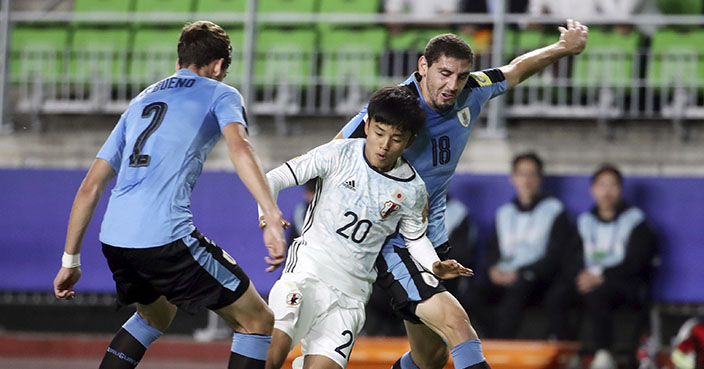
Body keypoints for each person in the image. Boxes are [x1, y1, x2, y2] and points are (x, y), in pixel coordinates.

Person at [335, 20, 588, 369]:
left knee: (430, 356)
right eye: (444, 73)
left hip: (432, 243)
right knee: (459, 327)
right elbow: (333, 154)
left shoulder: (472, 89)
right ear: (423, 67)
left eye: (461, 75)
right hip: (394, 242)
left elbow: (515, 70)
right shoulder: (397, 108)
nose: (452, 85)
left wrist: (562, 48)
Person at [52, 21, 287, 369]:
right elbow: (240, 147)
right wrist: (269, 213)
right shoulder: (220, 92)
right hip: (164, 237)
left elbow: (90, 186)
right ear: (219, 66)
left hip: (116, 240)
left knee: (154, 315)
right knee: (257, 321)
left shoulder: (140, 100)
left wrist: (70, 261)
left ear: (178, 61)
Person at [262, 86, 473, 369]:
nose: (384, 145)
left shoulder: (412, 189)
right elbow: (272, 179)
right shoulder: (337, 154)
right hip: (307, 276)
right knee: (269, 357)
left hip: (350, 298)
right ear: (367, 125)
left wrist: (434, 265)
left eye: (396, 139)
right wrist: (269, 219)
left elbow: (415, 239)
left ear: (410, 141)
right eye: (379, 133)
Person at [557, 164, 658, 369]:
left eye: (612, 185)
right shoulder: (584, 222)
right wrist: (580, 275)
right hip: (587, 280)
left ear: (620, 190)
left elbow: (637, 262)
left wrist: (601, 276)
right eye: (601, 185)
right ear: (592, 190)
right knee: (556, 296)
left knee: (598, 293)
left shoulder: (636, 222)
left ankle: (604, 354)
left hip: (624, 284)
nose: (607, 191)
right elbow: (570, 258)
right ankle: (569, 352)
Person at [468, 152, 575, 339]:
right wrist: (493, 270)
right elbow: (492, 250)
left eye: (532, 174)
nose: (527, 179)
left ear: (540, 178)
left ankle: (500, 344)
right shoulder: (504, 213)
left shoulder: (555, 211)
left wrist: (521, 273)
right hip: (504, 276)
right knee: (470, 294)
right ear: (513, 178)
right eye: (522, 174)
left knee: (519, 287)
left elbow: (556, 255)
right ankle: (495, 338)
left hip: (537, 279)